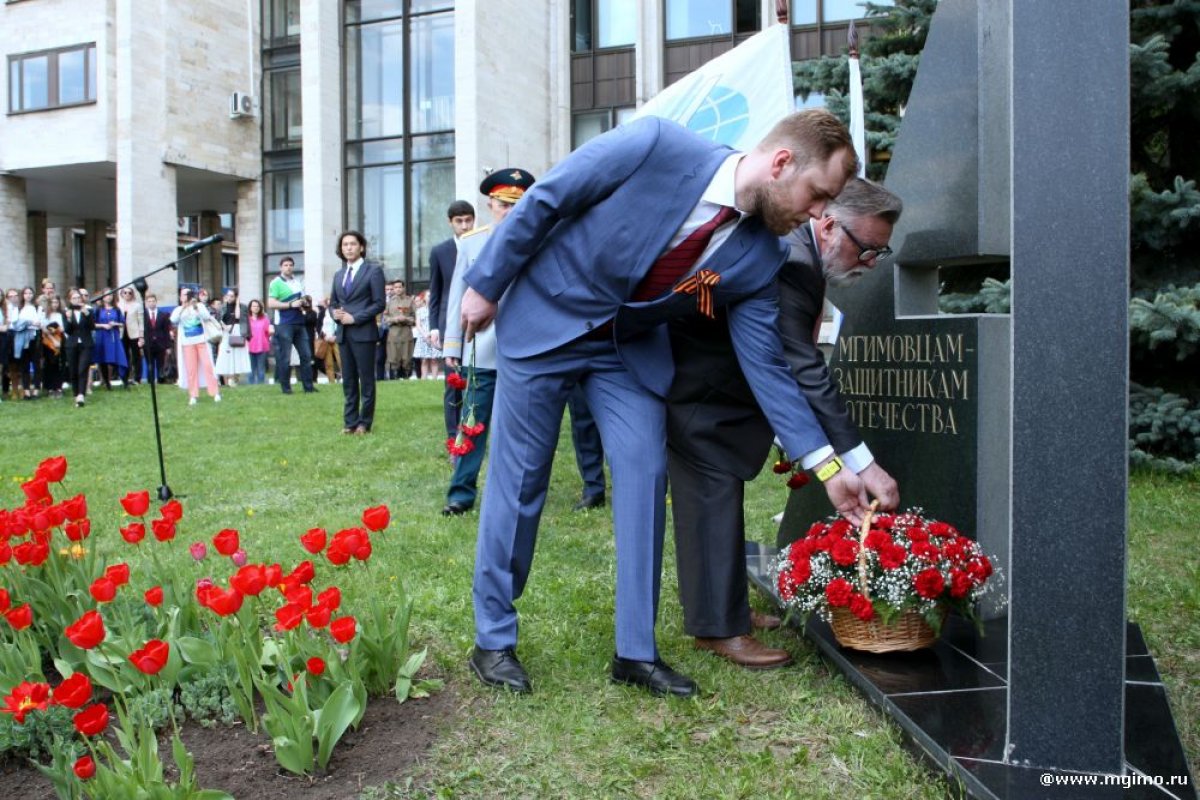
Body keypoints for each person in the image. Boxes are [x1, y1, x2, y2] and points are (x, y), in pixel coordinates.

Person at [457, 110, 861, 698]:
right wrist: (486, 284)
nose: (818, 214)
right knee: (520, 483)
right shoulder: (656, 144)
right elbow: (549, 197)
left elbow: (768, 368)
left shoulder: (761, 255)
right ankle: (493, 640)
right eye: (818, 194)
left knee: (645, 473)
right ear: (781, 164)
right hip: (548, 317)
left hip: (627, 351)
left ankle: (635, 653)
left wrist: (828, 466)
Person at [667, 178, 904, 670]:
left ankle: (726, 607)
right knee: (710, 502)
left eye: (879, 253)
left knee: (723, 500)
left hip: (719, 397)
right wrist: (860, 461)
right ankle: (717, 628)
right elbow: (805, 368)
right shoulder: (794, 262)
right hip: (704, 397)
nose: (868, 264)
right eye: (866, 249)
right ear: (830, 224)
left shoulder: (801, 255)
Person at [330, 231, 386, 434]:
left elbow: (379, 303)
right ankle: (350, 422)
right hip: (343, 334)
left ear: (361, 247)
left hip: (364, 333)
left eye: (353, 244)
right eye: (345, 245)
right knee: (349, 380)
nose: (348, 248)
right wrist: (334, 313)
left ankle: (364, 422)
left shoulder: (373, 271)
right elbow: (333, 303)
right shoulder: (339, 274)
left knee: (366, 380)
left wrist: (355, 317)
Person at [429, 200, 476, 438]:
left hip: (478, 323)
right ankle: (452, 435)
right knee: (453, 383)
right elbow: (435, 293)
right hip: (450, 324)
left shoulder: (482, 244)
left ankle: (473, 430)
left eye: (468, 220)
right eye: (459, 221)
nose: (465, 226)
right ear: (450, 223)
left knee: (477, 381)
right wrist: (435, 328)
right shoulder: (440, 252)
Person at [268, 256, 316, 394]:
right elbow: (271, 303)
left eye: (290, 265)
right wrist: (290, 304)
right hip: (284, 324)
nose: (288, 267)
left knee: (306, 356)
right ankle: (286, 388)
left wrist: (306, 303)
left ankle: (309, 387)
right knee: (285, 358)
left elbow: (301, 300)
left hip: (299, 322)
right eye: (285, 265)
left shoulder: (297, 281)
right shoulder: (275, 283)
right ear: (281, 267)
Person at [171, 288, 221, 405]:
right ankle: (193, 395)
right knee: (191, 369)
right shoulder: (179, 309)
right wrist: (184, 306)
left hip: (202, 341)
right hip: (187, 343)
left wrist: (195, 306)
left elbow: (206, 316)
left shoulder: (199, 306)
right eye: (184, 294)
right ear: (180, 297)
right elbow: (173, 319)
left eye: (189, 294)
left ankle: (215, 392)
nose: (187, 296)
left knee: (208, 366)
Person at [62, 289, 95, 408]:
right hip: (72, 344)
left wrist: (87, 314)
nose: (77, 300)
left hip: (86, 344)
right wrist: (69, 319)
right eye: (74, 298)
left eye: (78, 298)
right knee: (73, 370)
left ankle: (81, 394)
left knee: (82, 368)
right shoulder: (66, 312)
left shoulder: (88, 310)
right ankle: (76, 393)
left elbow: (92, 327)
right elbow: (67, 330)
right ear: (70, 300)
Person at [11, 286, 44, 399]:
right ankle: (26, 389)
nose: (28, 295)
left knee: (36, 364)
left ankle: (36, 389)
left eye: (30, 293)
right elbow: (15, 324)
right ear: (23, 295)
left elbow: (39, 323)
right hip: (22, 338)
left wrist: (26, 323)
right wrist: (29, 322)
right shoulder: (18, 309)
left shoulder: (37, 308)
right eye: (26, 293)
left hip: (35, 338)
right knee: (24, 365)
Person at [91, 289, 128, 390]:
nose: (109, 297)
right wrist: (103, 325)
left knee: (119, 357)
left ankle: (124, 380)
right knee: (103, 359)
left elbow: (122, 322)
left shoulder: (116, 309)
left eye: (111, 295)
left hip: (113, 337)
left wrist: (115, 324)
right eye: (107, 295)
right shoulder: (98, 309)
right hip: (102, 336)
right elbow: (92, 324)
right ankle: (107, 383)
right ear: (103, 297)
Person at [384, 280, 416, 380]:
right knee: (393, 357)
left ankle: (406, 377)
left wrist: (406, 319)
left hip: (406, 332)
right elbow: (385, 318)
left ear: (403, 288)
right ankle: (394, 378)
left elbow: (415, 318)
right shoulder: (390, 302)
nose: (398, 289)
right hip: (393, 333)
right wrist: (395, 319)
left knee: (407, 357)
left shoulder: (410, 301)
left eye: (399, 287)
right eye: (395, 287)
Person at [140, 292, 173, 383]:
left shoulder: (163, 315)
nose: (151, 303)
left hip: (160, 343)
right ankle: (150, 382)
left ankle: (161, 380)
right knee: (149, 364)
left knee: (160, 364)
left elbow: (166, 331)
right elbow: (141, 329)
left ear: (156, 302)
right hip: (148, 343)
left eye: (153, 301)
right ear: (146, 302)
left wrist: (168, 346)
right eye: (149, 301)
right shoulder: (143, 315)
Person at [119, 286, 144, 385]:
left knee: (136, 356)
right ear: (122, 294)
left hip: (134, 333)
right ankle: (124, 377)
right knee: (124, 356)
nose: (127, 294)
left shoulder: (137, 305)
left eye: (129, 293)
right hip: (122, 333)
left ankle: (137, 378)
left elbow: (141, 322)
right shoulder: (118, 305)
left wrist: (141, 336)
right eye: (125, 293)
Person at [412, 291, 441, 379]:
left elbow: (440, 322)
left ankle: (434, 379)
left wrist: (433, 333)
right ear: (424, 298)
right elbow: (418, 324)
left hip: (434, 335)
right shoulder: (420, 310)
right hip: (423, 336)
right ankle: (424, 379)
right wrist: (425, 335)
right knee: (424, 360)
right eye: (428, 295)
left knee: (434, 359)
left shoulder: (437, 309)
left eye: (431, 295)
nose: (430, 297)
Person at [41, 296, 65, 398]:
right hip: (49, 343)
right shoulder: (46, 315)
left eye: (56, 302)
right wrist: (53, 339)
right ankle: (50, 388)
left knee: (58, 365)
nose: (55, 304)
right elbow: (44, 329)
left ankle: (58, 387)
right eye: (53, 302)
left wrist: (58, 337)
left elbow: (63, 328)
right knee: (49, 364)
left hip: (60, 342)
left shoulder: (61, 315)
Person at [245, 299, 272, 385]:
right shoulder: (246, 319)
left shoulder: (265, 319)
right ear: (250, 308)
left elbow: (268, 332)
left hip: (262, 346)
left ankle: (261, 385)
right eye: (253, 306)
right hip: (249, 346)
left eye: (257, 306)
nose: (255, 308)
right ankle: (251, 384)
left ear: (260, 308)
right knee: (250, 368)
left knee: (261, 368)